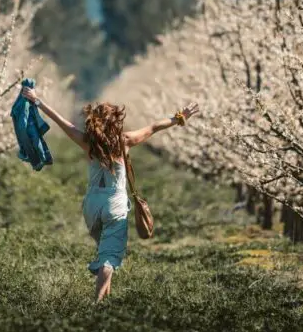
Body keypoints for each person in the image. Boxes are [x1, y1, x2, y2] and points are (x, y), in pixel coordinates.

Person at [19, 84, 199, 303]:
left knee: (105, 251)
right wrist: (180, 117)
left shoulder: (88, 142)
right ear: (116, 121)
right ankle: (97, 305)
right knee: (109, 258)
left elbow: (61, 121)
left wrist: (37, 101)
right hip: (115, 203)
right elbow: (154, 127)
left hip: (92, 205)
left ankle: (105, 300)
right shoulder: (125, 141)